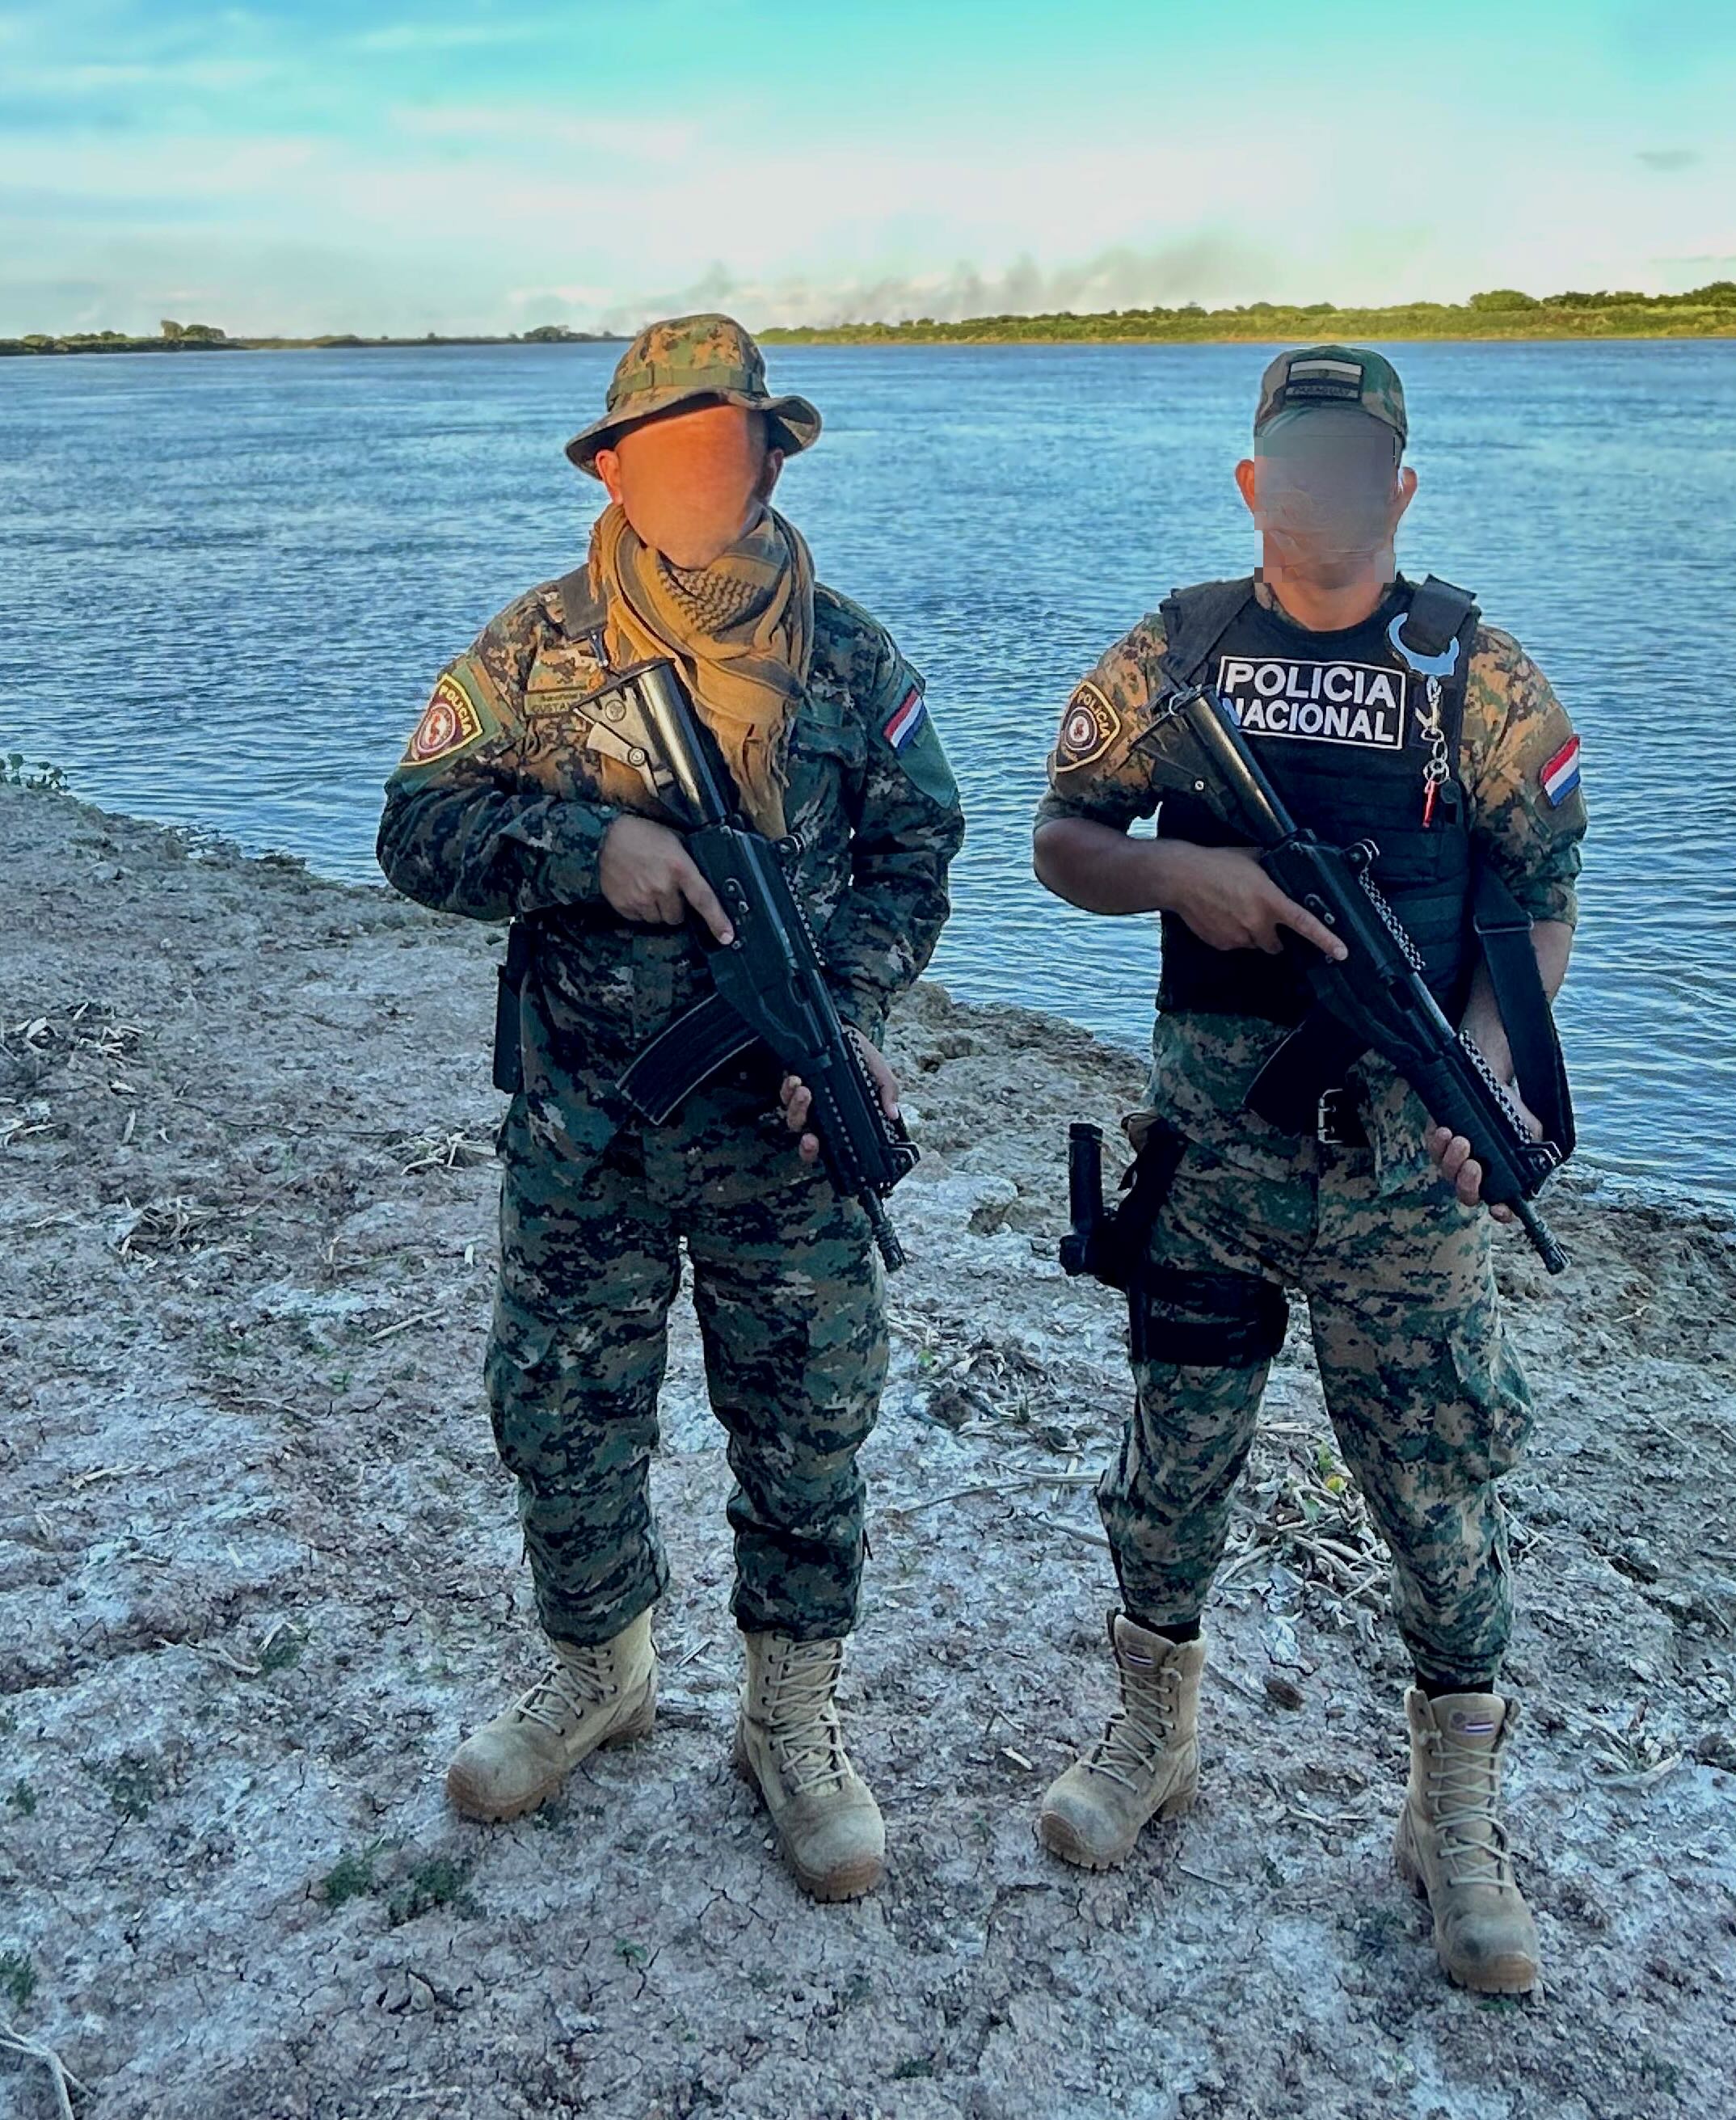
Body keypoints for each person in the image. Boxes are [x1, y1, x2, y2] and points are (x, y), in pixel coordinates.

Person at [377, 314, 963, 1901]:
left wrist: (846, 1016)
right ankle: (600, 1670)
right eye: (667, 446)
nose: (700, 471)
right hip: (586, 1128)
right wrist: (593, 854)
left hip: (785, 1133)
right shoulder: (533, 652)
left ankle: (789, 1714)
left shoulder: (852, 662)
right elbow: (414, 831)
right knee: (561, 1404)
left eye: (727, 441)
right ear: (614, 469)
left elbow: (919, 856)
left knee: (808, 1420)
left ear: (769, 457)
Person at [1029, 345, 1586, 1992]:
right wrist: (1180, 880)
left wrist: (1486, 1072)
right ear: (1251, 482)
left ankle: (1452, 1806)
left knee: (1434, 1484)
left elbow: (1541, 905)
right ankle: (1152, 1725)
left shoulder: (1478, 677)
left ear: (1398, 487)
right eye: (1296, 461)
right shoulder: (1177, 650)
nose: (1325, 490)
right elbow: (1062, 839)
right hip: (1209, 1155)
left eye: (1356, 464)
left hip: (1402, 1181)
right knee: (1174, 1455)